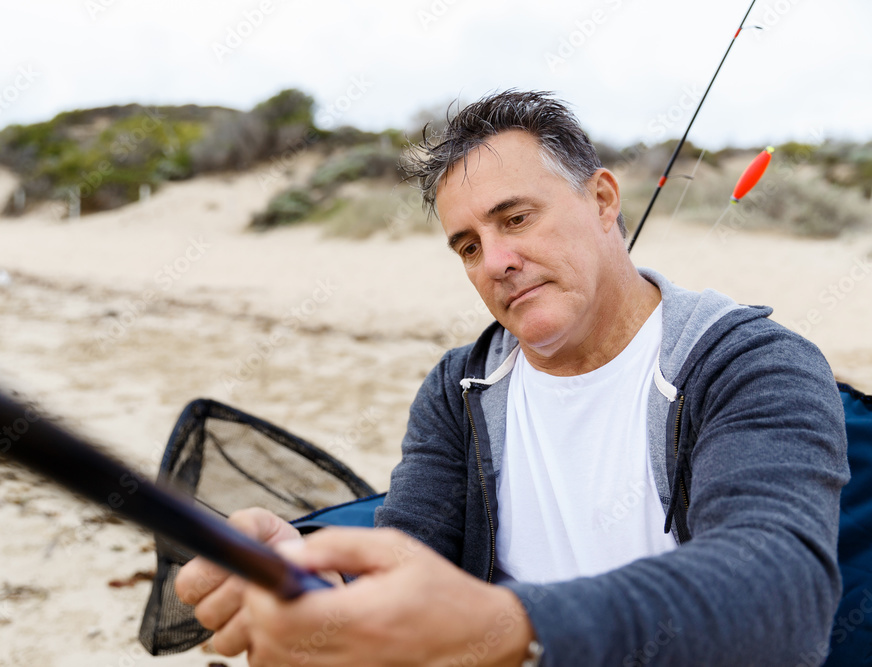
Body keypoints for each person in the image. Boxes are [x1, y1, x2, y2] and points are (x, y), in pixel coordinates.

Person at [174, 91, 850, 666]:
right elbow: (408, 556)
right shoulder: (460, 388)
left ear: (604, 200)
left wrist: (508, 623)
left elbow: (783, 592)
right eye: (468, 246)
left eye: (516, 218)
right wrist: (320, 579)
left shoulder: (751, 364)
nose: (495, 261)